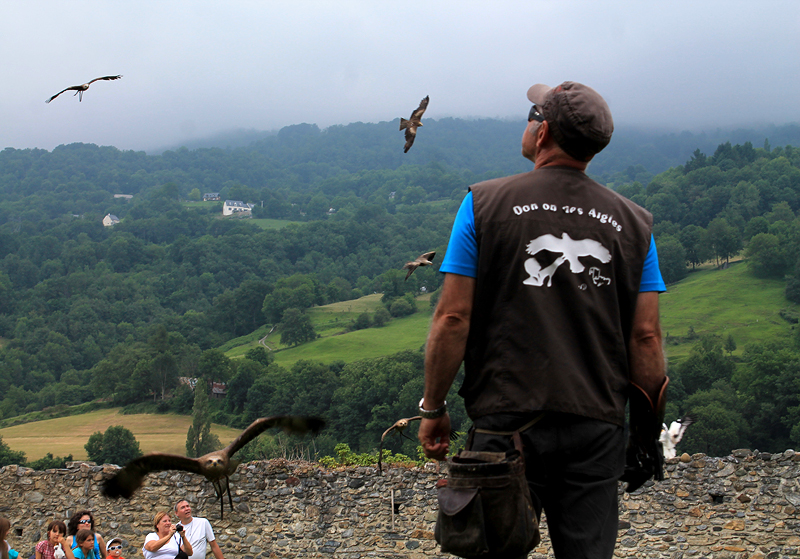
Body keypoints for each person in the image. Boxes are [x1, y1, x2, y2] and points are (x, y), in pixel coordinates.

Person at [417, 81, 667, 559]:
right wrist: (645, 434)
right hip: (595, 427)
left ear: (543, 130)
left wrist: (433, 407)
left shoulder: (483, 204)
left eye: (533, 114)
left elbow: (452, 317)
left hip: (506, 425)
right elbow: (646, 337)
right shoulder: (635, 224)